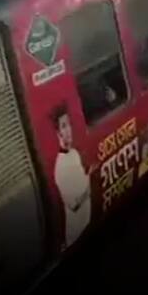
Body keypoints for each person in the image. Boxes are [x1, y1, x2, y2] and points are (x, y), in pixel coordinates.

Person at [50, 104, 91, 248]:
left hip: (87, 227)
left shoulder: (74, 154)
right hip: (76, 238)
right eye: (63, 126)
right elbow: (73, 205)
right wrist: (89, 182)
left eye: (69, 124)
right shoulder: (60, 167)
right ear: (58, 133)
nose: (68, 130)